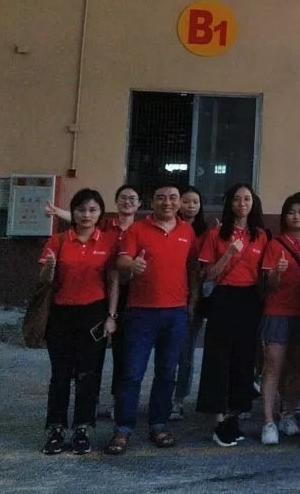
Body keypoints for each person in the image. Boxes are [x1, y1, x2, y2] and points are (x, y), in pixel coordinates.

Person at [105, 184, 196, 455]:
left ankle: (159, 423)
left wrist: (192, 302)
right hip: (141, 313)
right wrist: (132, 265)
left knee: (167, 372)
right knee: (132, 373)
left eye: (173, 198)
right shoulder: (136, 230)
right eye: (161, 198)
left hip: (176, 313)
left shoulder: (187, 231)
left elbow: (193, 268)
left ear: (179, 202)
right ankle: (123, 428)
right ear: (151, 202)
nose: (167, 203)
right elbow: (122, 261)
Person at [38, 189, 120, 455]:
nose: (86, 215)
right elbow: (43, 280)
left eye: (92, 210)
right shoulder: (58, 240)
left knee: (88, 374)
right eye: (81, 209)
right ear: (72, 212)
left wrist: (111, 316)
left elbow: (113, 281)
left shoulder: (107, 241)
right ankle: (56, 428)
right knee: (60, 374)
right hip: (60, 314)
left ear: (100, 213)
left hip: (94, 315)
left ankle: (82, 428)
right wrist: (50, 267)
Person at [195, 183, 266, 447]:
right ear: (229, 204)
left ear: (253, 203)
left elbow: (263, 274)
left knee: (243, 359)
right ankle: (218, 419)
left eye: (246, 199)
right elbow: (208, 275)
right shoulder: (216, 234)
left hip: (250, 299)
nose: (241, 203)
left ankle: (235, 415)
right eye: (236, 199)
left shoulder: (261, 236)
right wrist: (229, 254)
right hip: (223, 297)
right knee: (218, 358)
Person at [259, 193, 300, 445]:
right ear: (284, 216)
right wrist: (277, 272)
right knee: (272, 366)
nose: (296, 217)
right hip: (277, 312)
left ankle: (288, 414)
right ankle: (268, 422)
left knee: (297, 366)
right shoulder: (275, 244)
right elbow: (269, 285)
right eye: (291, 212)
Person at [171, 185, 209, 422]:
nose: (190, 206)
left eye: (195, 202)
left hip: (194, 299)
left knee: (186, 352)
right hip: (168, 297)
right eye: (186, 201)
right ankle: (162, 396)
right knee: (167, 352)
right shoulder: (169, 227)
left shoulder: (207, 232)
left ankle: (178, 399)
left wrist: (194, 299)